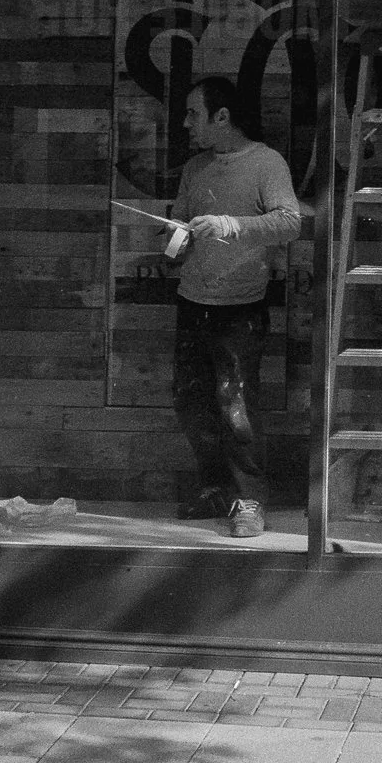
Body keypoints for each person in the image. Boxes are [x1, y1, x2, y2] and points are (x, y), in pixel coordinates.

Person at [165, 76, 302, 537]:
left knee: (235, 401)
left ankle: (250, 499)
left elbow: (289, 221)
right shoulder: (196, 168)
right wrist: (175, 238)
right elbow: (181, 224)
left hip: (241, 304)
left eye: (193, 114)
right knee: (191, 400)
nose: (185, 123)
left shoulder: (266, 163)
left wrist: (229, 223)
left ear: (222, 117)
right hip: (192, 298)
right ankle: (215, 489)